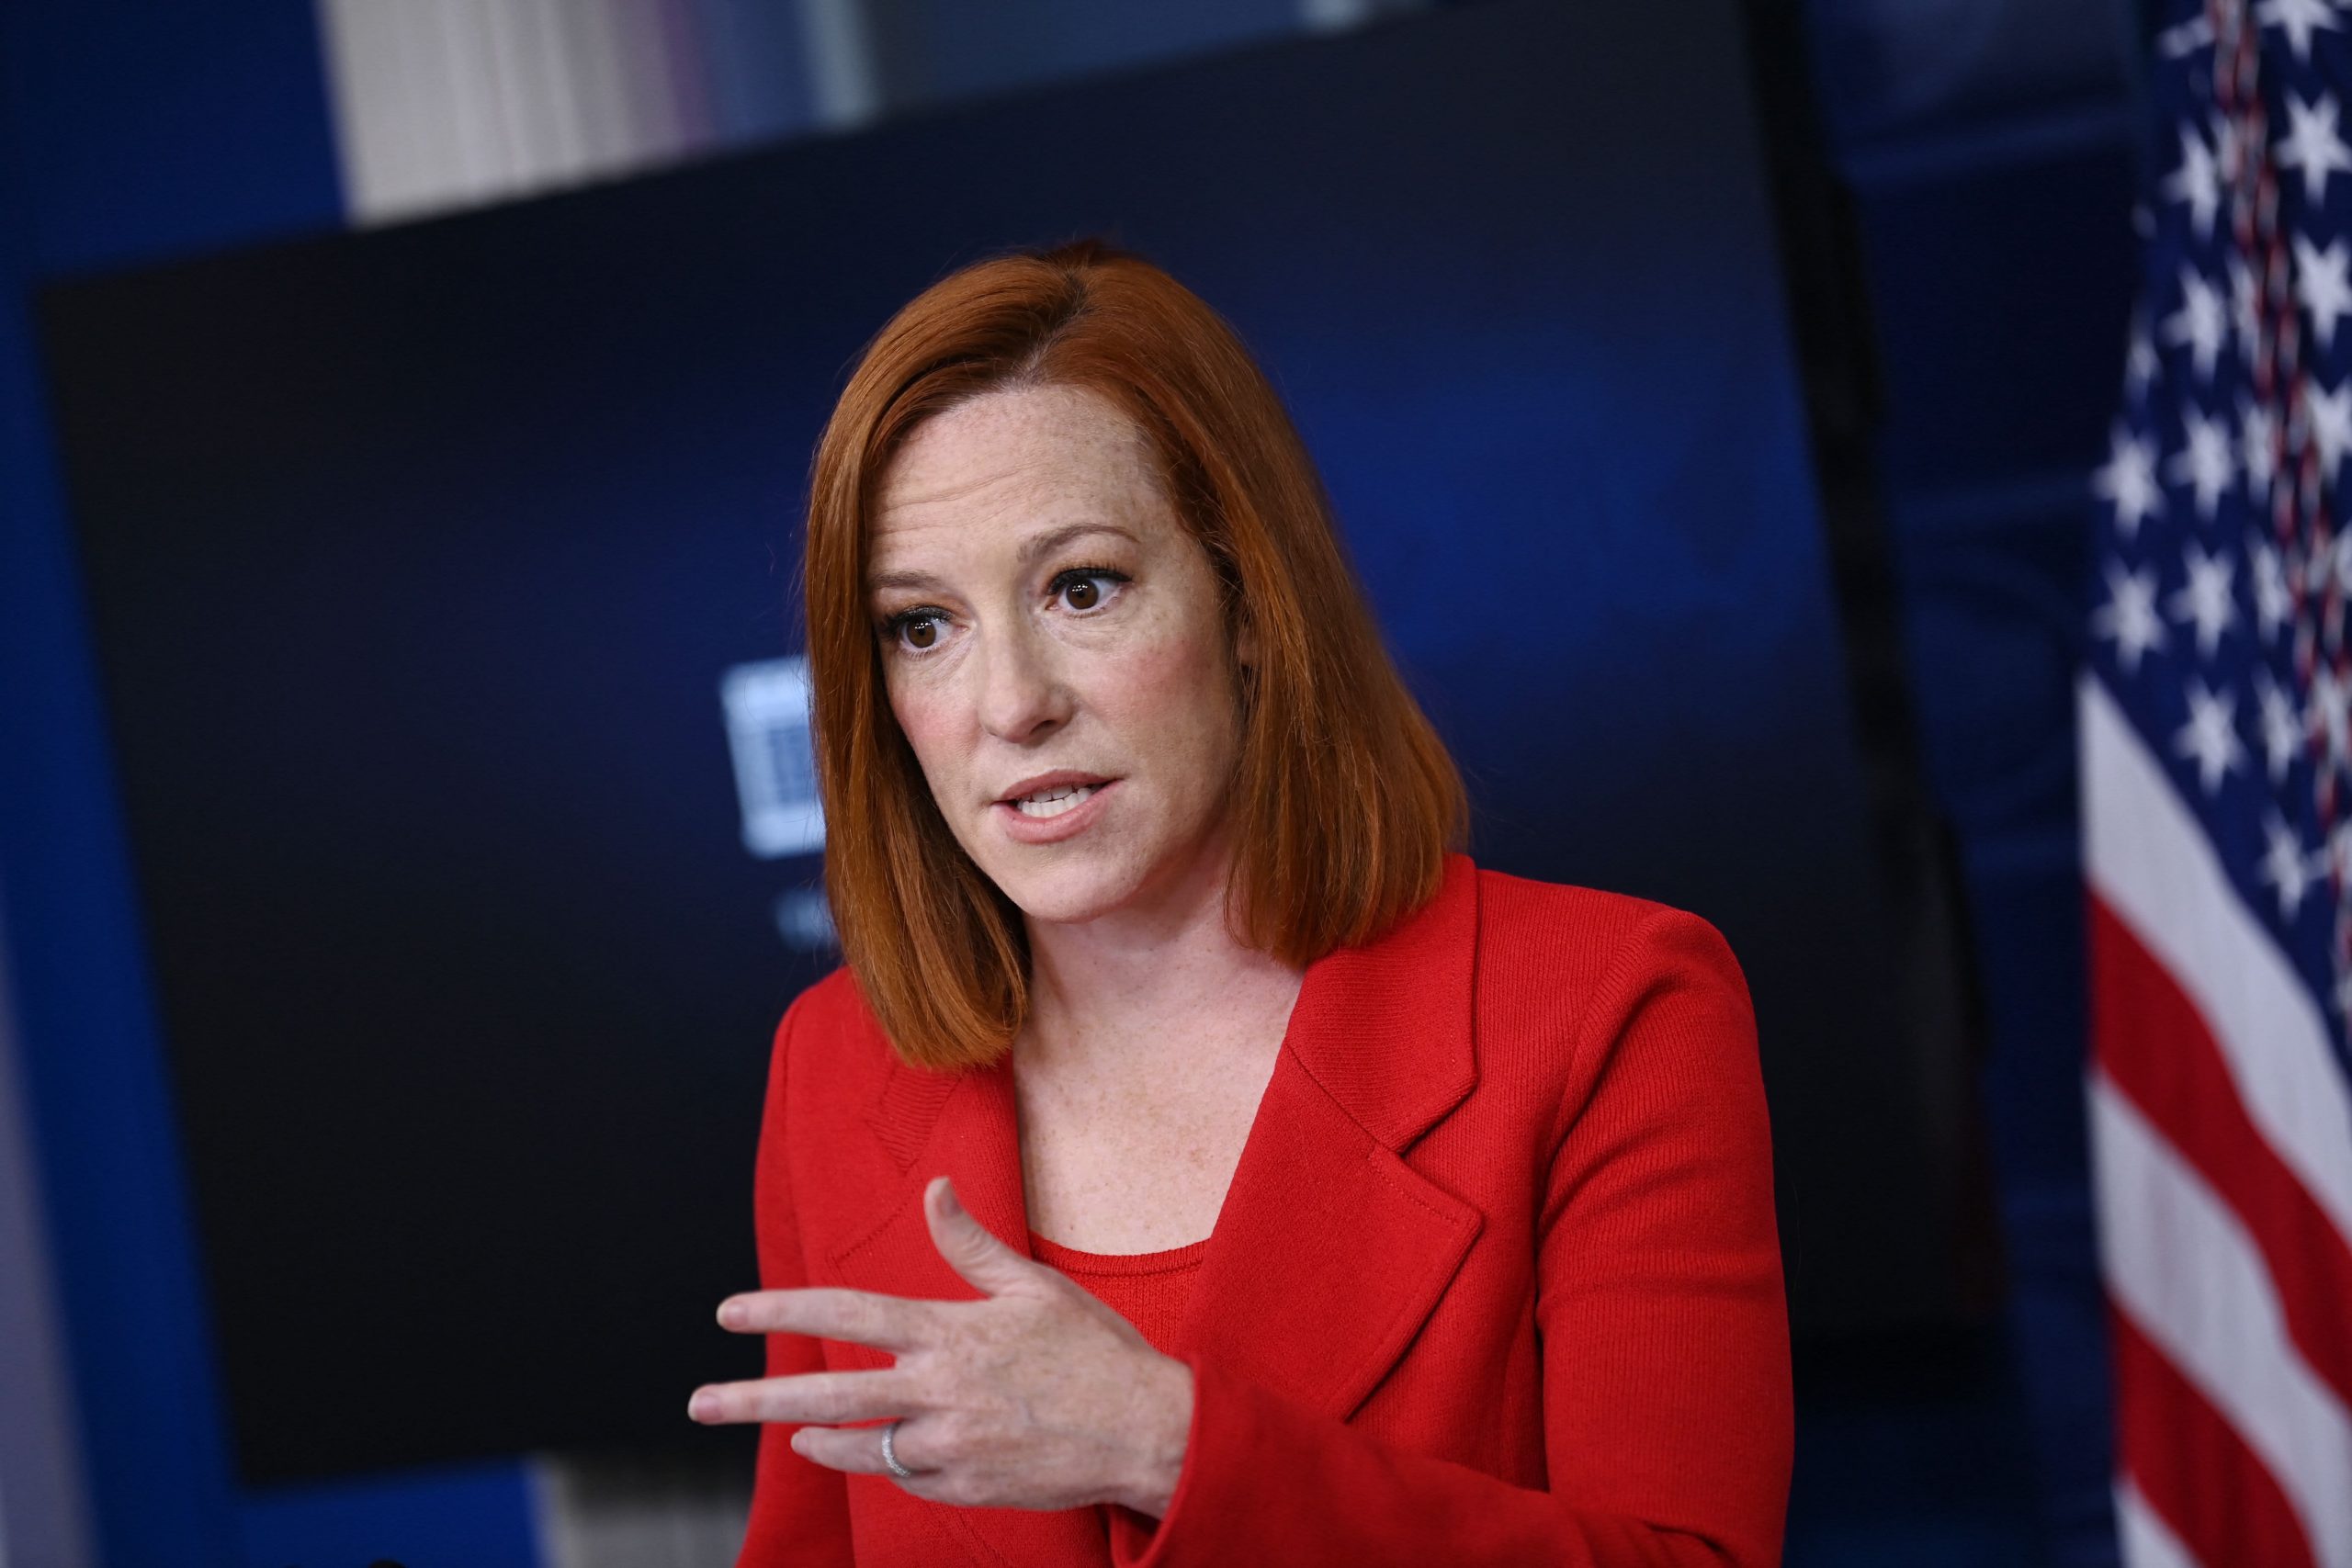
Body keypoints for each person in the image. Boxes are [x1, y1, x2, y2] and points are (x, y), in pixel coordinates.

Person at [687, 237, 1793, 1566]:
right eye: (923, 625)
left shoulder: (1613, 1004)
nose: (1011, 703)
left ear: (1251, 604)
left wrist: (1164, 1442)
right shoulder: (832, 1062)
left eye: (1081, 588)